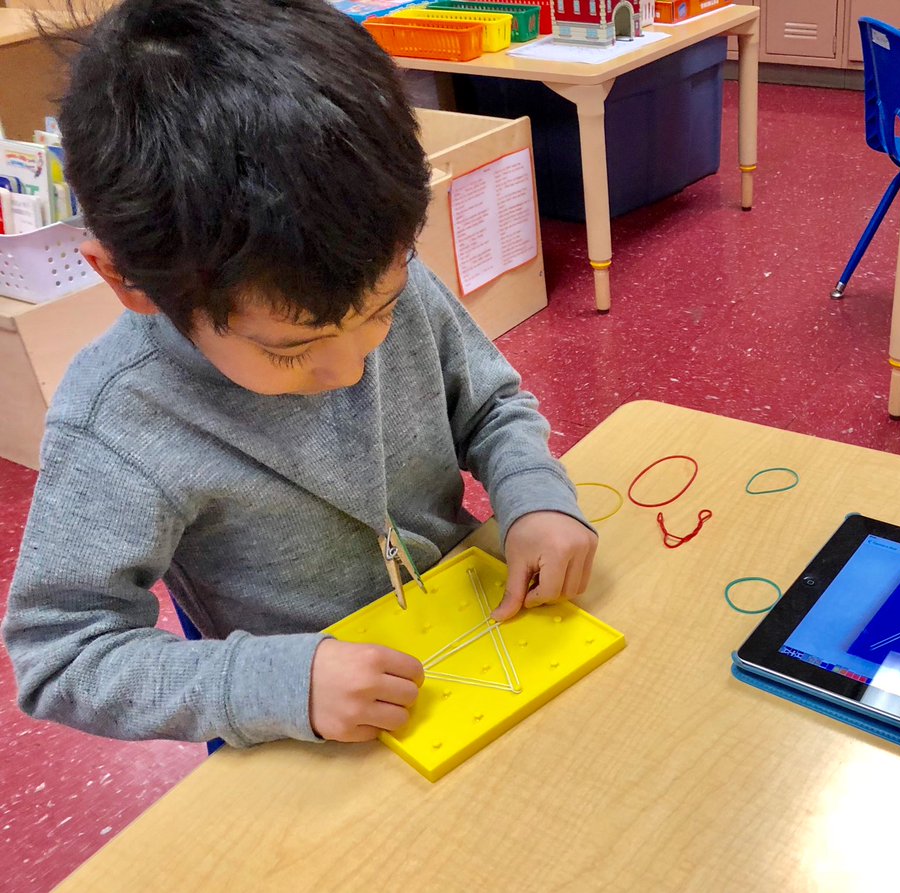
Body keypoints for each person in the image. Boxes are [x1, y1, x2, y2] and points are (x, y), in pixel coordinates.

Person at [1, 0, 598, 748]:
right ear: (129, 282)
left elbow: (490, 406)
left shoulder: (356, 269)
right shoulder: (119, 420)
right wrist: (272, 685)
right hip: (299, 724)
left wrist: (534, 494)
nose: (351, 367)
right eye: (290, 349)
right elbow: (60, 655)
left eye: (381, 312)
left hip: (463, 638)